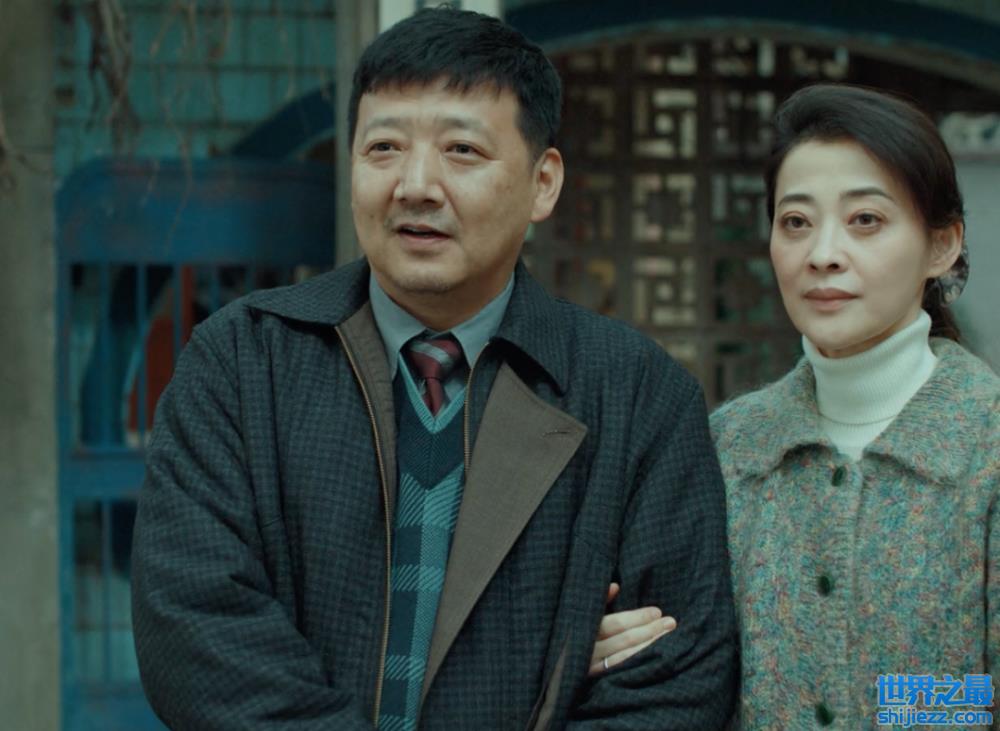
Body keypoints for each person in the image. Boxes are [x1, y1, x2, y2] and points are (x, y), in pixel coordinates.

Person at [131, 7, 737, 730]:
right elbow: (197, 627)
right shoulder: (244, 361)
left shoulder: (636, 395)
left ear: (543, 182)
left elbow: (677, 681)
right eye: (383, 147)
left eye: (461, 150)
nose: (415, 184)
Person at [590, 83, 1000, 728]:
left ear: (941, 245)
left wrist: (895, 706)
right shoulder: (726, 446)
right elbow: (675, 669)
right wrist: (602, 655)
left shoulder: (987, 447)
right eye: (796, 223)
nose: (823, 255)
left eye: (866, 220)